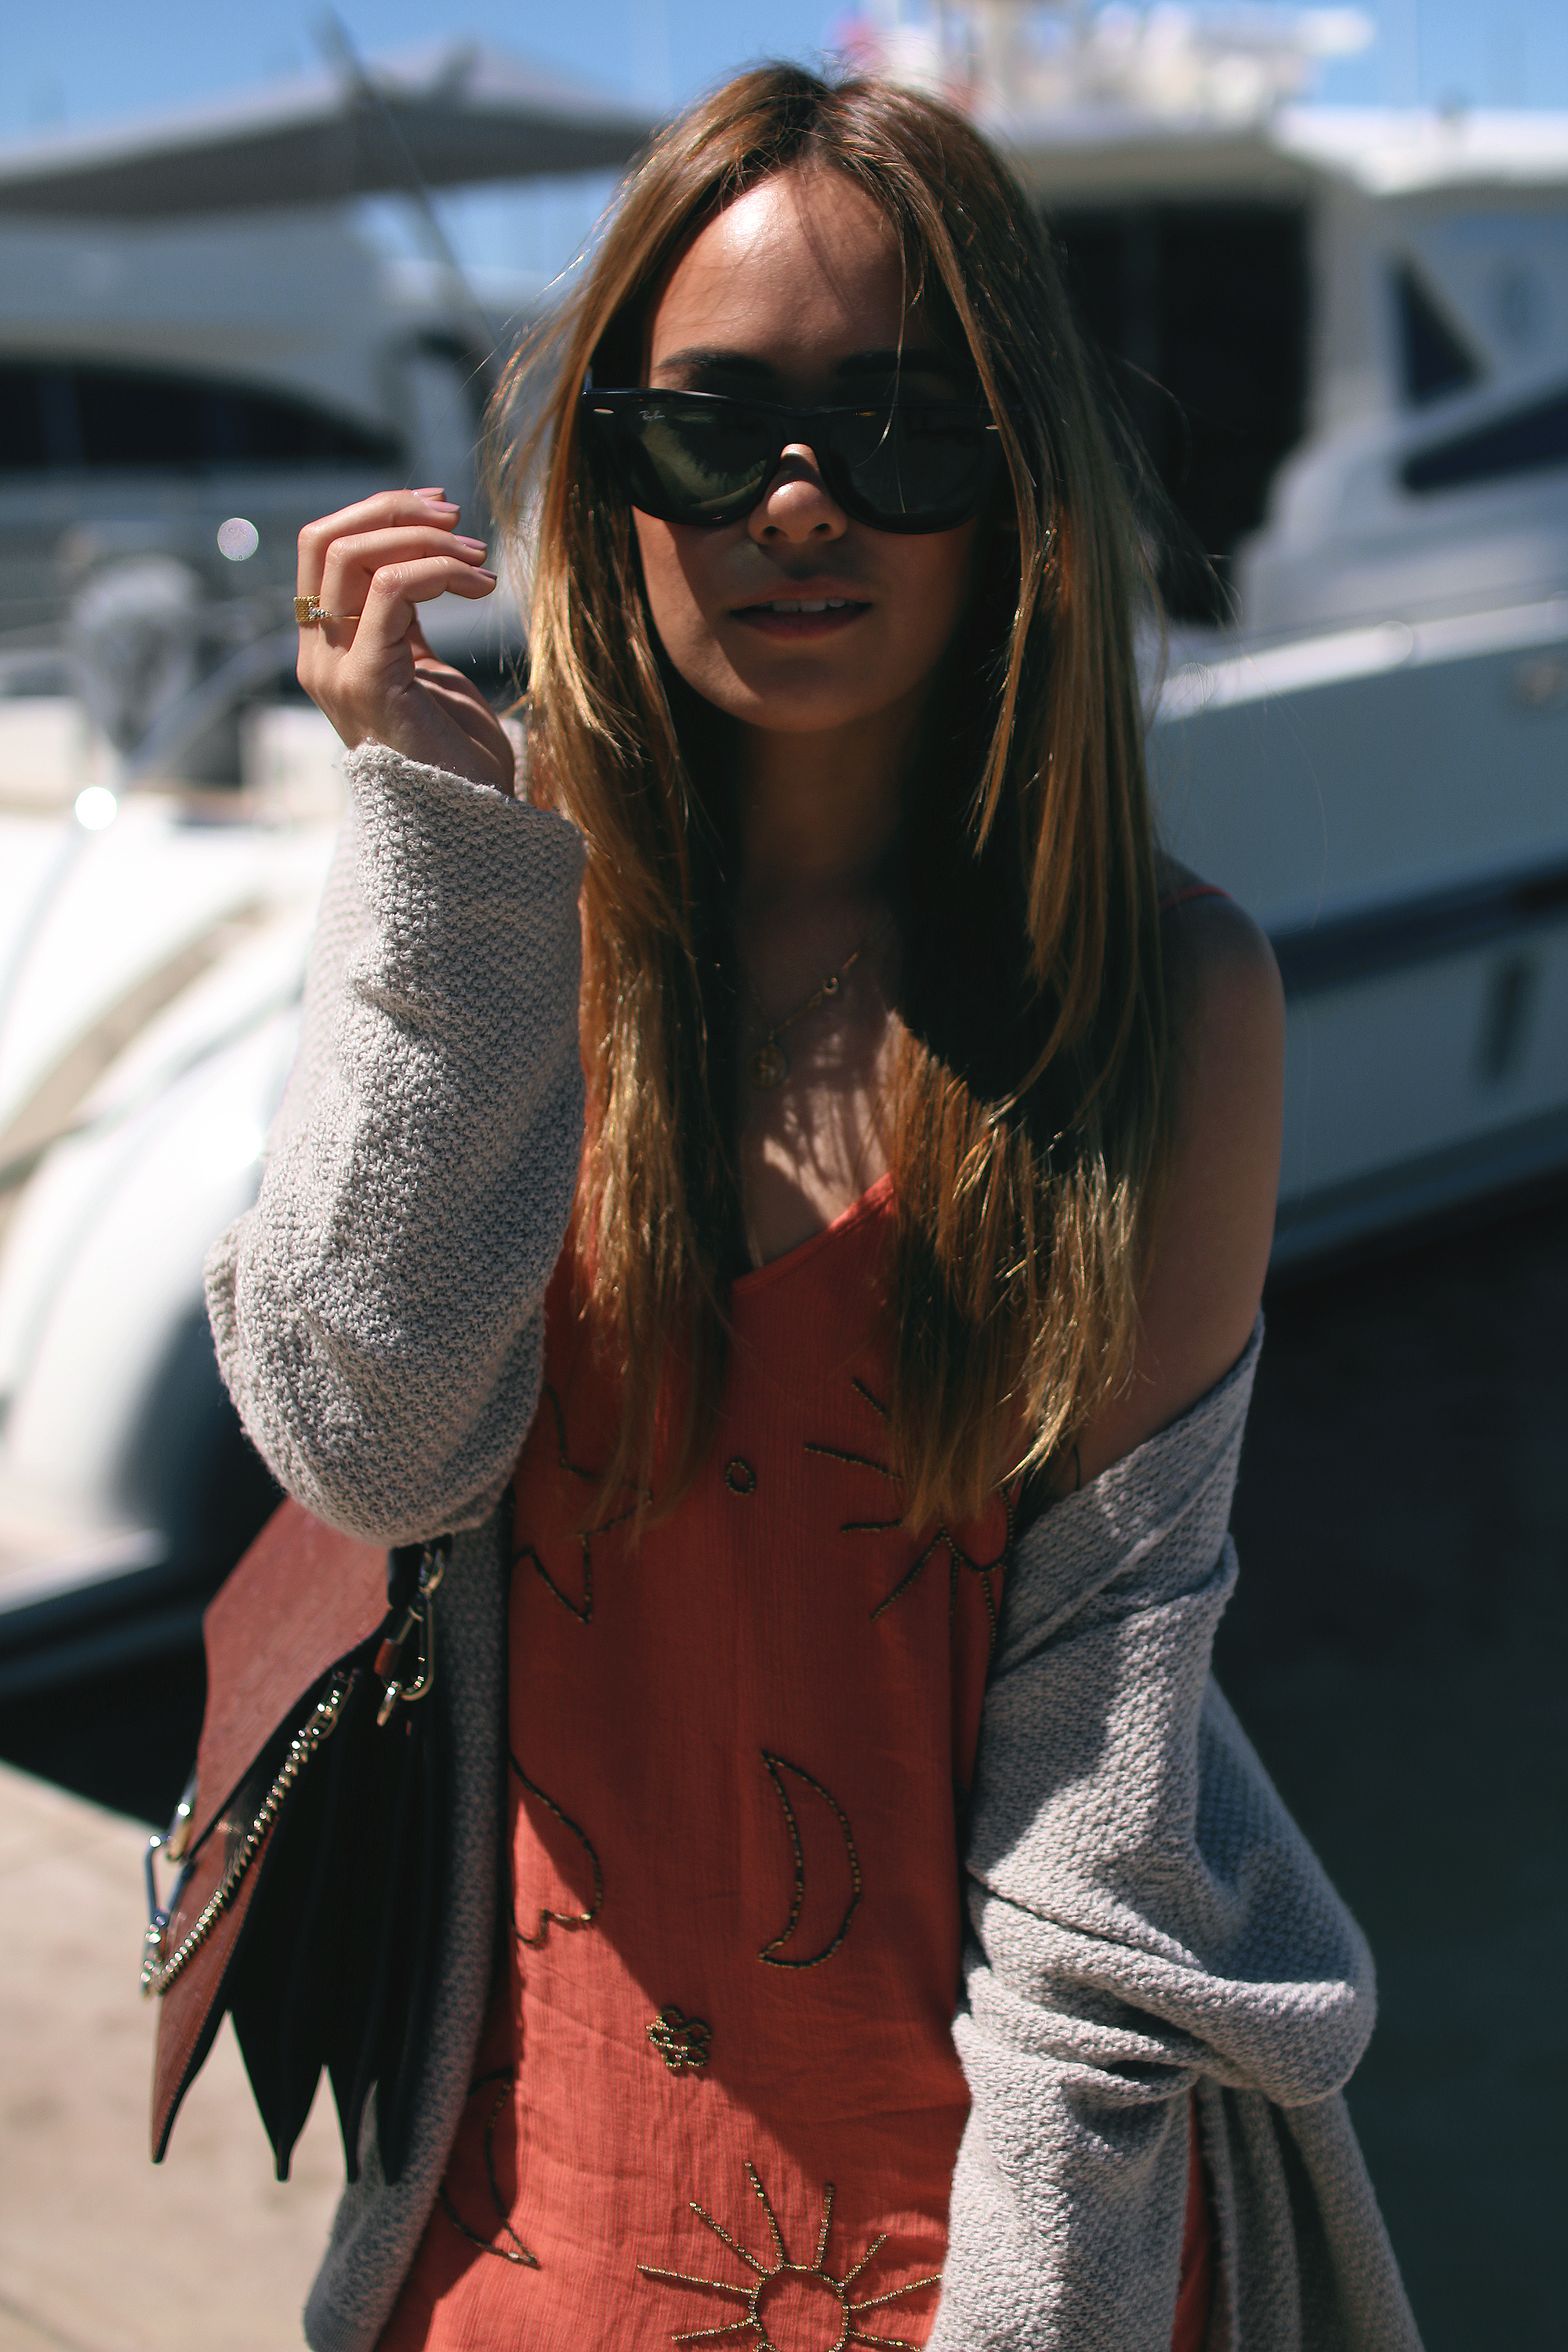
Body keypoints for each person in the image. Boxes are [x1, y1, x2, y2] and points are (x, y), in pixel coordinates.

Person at [208, 64, 1421, 2352]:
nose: (798, 500)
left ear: (1018, 482)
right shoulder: (498, 912)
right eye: (712, 431)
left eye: (901, 427)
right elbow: (361, 1444)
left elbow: (1102, 1774)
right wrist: (435, 846)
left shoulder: (1161, 1003)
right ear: (608, 476)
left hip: (976, 2248)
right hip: (526, 2210)